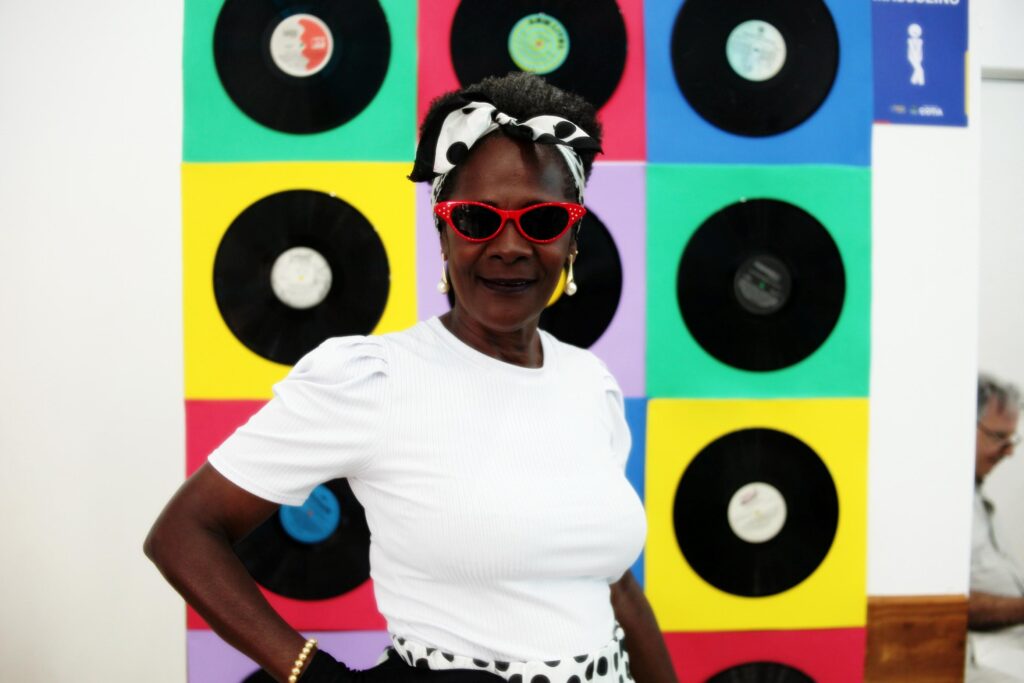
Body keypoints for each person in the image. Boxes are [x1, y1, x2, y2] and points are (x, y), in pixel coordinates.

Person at [145, 72, 677, 683]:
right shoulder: (374, 379)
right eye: (476, 218)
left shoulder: (591, 383)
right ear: (443, 234)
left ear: (573, 239)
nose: (510, 245)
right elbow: (183, 534)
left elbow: (615, 585)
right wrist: (317, 676)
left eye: (544, 220)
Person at [966, 374, 1024, 682]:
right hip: (982, 657)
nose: (1009, 451)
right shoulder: (937, 510)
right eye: (999, 437)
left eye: (1012, 439)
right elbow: (946, 604)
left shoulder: (978, 499)